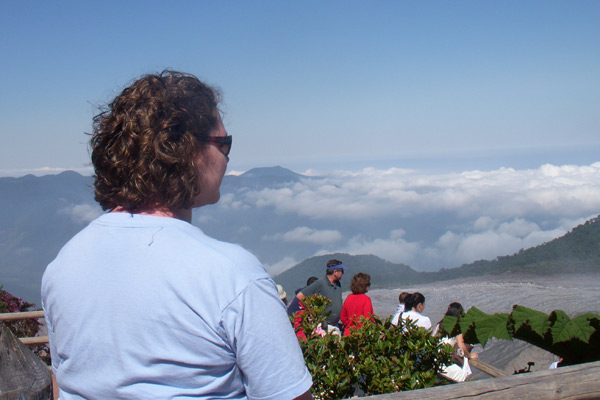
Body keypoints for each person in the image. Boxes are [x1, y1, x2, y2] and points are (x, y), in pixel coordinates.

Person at [41, 71, 312, 400]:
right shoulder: (232, 277)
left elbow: (62, 382)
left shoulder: (62, 267)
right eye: (223, 143)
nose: (228, 156)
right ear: (187, 149)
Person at [295, 259, 346, 331]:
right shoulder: (320, 283)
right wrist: (311, 311)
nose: (343, 274)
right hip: (324, 326)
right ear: (335, 272)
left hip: (336, 325)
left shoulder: (338, 284)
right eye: (342, 271)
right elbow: (300, 295)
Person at [433, 302, 478, 382]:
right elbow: (461, 345)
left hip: (434, 361)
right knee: (462, 377)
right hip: (445, 363)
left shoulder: (438, 325)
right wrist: (469, 355)